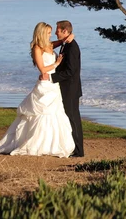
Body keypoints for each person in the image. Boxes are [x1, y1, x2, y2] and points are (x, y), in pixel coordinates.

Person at [0, 22, 75, 158]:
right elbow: (42, 69)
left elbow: (61, 41)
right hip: (45, 84)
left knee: (55, 113)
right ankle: (34, 143)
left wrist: (70, 36)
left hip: (53, 85)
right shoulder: (37, 48)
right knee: (40, 114)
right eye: (48, 33)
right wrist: (56, 64)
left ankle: (51, 144)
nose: (50, 35)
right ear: (41, 33)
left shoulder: (50, 45)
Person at [42, 20, 84, 157]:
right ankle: (72, 146)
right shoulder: (67, 44)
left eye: (58, 30)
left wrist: (52, 78)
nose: (55, 32)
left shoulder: (72, 47)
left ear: (65, 31)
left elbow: (70, 71)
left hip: (70, 89)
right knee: (69, 117)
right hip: (67, 87)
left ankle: (79, 150)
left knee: (73, 118)